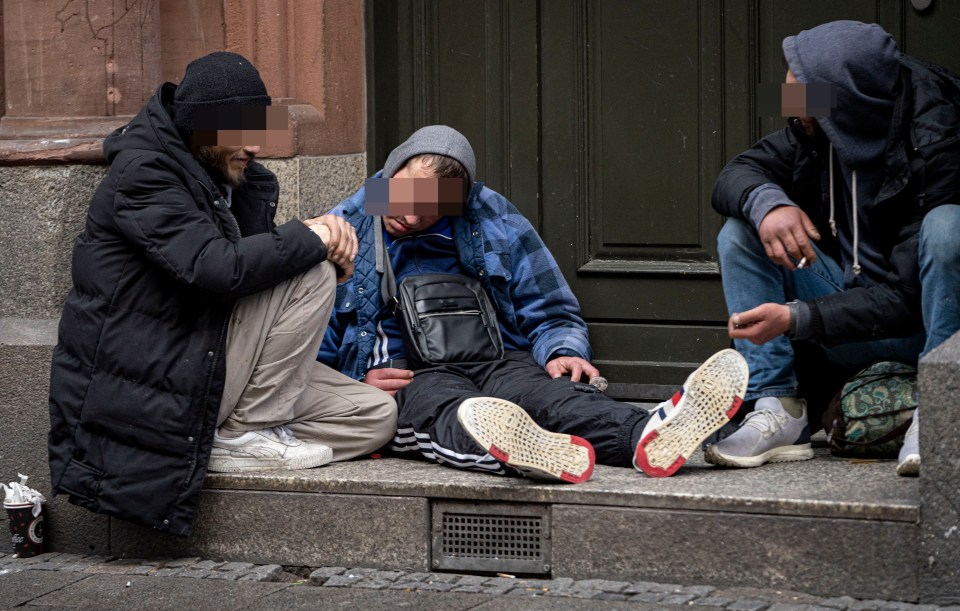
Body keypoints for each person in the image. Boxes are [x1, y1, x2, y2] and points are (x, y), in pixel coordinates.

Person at [47, 52, 396, 536]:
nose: (256, 146)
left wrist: (323, 259)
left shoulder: (236, 182)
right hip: (160, 369)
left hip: (211, 354)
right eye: (242, 131)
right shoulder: (144, 175)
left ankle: (219, 441)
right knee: (310, 269)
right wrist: (314, 242)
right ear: (201, 127)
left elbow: (257, 282)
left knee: (375, 415)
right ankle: (247, 432)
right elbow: (217, 270)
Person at [319, 125, 750, 482]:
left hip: (497, 357)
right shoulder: (343, 230)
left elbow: (548, 304)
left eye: (429, 210)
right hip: (407, 374)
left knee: (553, 398)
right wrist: (351, 388)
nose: (411, 216)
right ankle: (521, 452)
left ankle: (646, 435)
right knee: (449, 413)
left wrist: (563, 350)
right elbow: (311, 346)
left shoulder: (488, 214)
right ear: (389, 173)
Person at [706, 21, 960, 476]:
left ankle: (942, 413)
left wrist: (796, 318)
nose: (791, 109)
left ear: (843, 103)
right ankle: (778, 407)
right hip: (844, 320)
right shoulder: (817, 129)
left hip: (922, 327)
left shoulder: (939, 141)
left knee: (949, 227)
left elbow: (903, 300)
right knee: (741, 229)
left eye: (801, 99)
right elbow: (736, 172)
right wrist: (768, 205)